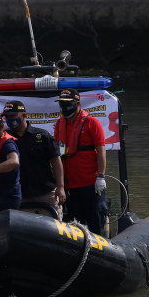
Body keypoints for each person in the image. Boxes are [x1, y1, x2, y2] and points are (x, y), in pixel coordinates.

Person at [53, 89, 107, 234]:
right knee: (74, 224)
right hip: (71, 185)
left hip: (91, 184)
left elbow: (101, 150)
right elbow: (59, 154)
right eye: (62, 104)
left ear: (77, 103)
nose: (64, 107)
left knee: (95, 221)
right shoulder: (59, 124)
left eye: (67, 104)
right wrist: (60, 184)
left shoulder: (92, 123)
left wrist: (100, 177)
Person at [3, 100, 65, 218]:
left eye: (13, 116)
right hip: (19, 194)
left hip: (46, 193)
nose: (10, 119)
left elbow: (56, 161)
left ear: (24, 115)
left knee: (54, 231)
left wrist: (61, 187)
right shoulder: (5, 139)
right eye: (7, 117)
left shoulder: (42, 135)